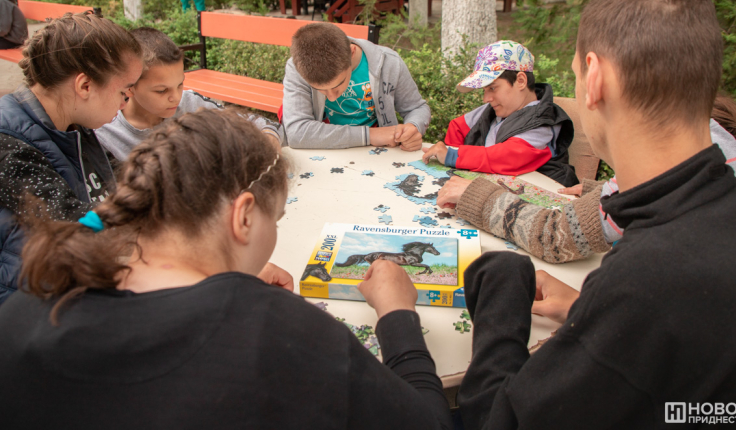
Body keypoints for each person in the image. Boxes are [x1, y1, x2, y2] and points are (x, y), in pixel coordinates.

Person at [445, 0, 736, 428]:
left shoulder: (640, 287)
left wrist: (501, 288)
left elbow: (500, 418)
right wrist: (586, 309)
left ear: (595, 77)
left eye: (575, 75)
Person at [0, 109, 452, 430]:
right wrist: (397, 315)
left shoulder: (33, 296)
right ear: (243, 216)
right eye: (276, 219)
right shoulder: (276, 328)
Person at [439, 94, 736, 264]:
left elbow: (554, 237)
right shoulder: (719, 138)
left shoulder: (662, 153)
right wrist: (603, 190)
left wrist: (476, 196)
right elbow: (676, 193)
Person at [0, 12, 143, 305]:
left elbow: (123, 181)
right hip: (26, 306)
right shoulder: (7, 141)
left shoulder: (74, 126)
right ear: (85, 86)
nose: (126, 101)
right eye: (124, 90)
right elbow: (72, 223)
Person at [96, 27, 280, 164]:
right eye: (162, 91)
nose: (176, 97)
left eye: (180, 84)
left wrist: (268, 136)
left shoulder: (190, 102)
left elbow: (259, 123)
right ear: (129, 87)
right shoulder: (106, 133)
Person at [423, 40, 578, 186]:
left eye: (492, 88)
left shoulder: (543, 121)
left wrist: (452, 156)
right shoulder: (496, 108)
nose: (486, 99)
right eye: (484, 90)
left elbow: (508, 156)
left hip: (536, 197)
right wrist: (453, 174)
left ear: (521, 81)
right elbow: (457, 127)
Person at [281, 22, 430, 151]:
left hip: (375, 153)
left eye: (338, 85)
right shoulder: (298, 68)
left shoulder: (389, 62)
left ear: (352, 53)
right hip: (324, 150)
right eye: (320, 90)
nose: (331, 97)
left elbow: (417, 108)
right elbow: (297, 132)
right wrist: (371, 135)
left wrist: (413, 127)